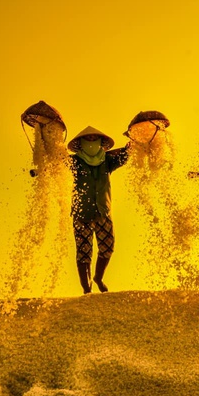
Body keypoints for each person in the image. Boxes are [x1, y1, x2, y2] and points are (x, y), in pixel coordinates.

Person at [67, 126, 130, 294]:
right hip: (82, 213)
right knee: (83, 252)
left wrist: (132, 145)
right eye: (88, 139)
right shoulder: (75, 161)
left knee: (107, 247)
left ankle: (98, 278)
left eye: (95, 139)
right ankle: (86, 289)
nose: (91, 142)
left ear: (101, 142)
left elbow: (125, 156)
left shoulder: (107, 161)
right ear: (81, 143)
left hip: (103, 210)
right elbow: (55, 161)